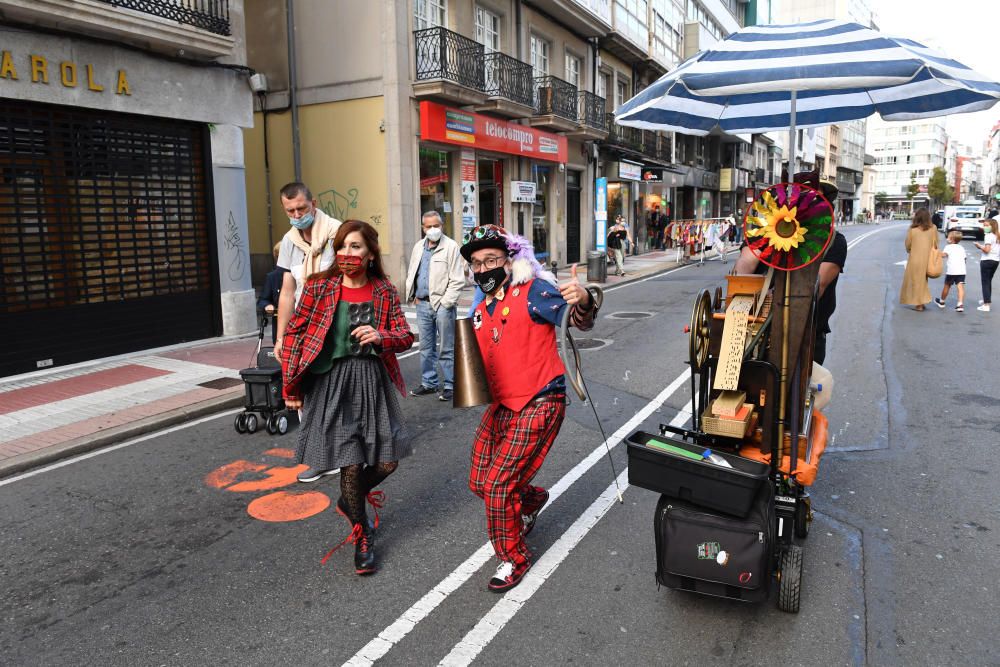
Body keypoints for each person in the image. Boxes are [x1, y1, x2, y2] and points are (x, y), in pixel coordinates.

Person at [460, 224, 599, 592]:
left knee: (498, 486)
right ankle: (533, 499)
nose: (483, 268)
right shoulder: (480, 307)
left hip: (541, 399)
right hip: (505, 403)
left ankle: (513, 558)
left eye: (491, 259)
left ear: (510, 260)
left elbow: (577, 320)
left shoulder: (533, 290)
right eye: (476, 263)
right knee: (479, 481)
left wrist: (583, 298)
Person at [280, 220, 413, 575]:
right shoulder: (319, 286)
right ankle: (362, 530)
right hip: (332, 382)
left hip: (372, 381)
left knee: (387, 462)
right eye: (341, 246)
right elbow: (295, 335)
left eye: (355, 247)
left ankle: (349, 500)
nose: (347, 254)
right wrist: (290, 387)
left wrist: (381, 334)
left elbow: (405, 336)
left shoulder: (383, 289)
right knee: (350, 462)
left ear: (370, 254)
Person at [734, 172, 847, 364]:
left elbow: (817, 287)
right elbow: (745, 266)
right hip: (755, 331)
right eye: (800, 197)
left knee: (813, 389)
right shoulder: (767, 231)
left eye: (814, 198)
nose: (805, 204)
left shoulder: (834, 241)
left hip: (807, 335)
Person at [273, 182, 341, 361]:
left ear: (314, 203)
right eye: (290, 211)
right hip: (305, 324)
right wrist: (281, 338)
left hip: (336, 324)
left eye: (301, 208)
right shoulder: (289, 241)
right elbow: (288, 293)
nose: (296, 215)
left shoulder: (338, 232)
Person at [405, 211, 466, 401]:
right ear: (423, 228)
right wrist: (413, 294)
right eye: (428, 226)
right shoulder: (418, 247)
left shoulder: (451, 246)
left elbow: (457, 279)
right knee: (426, 347)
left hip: (442, 305)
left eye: (436, 225)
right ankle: (429, 383)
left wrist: (446, 303)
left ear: (442, 225)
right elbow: (414, 271)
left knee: (446, 348)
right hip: (422, 304)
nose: (432, 229)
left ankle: (450, 384)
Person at [900, 208, 938, 311]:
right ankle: (921, 301)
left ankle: (919, 304)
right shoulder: (933, 228)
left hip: (915, 259)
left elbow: (908, 245)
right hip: (928, 258)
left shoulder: (912, 230)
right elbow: (935, 244)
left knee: (917, 281)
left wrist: (911, 250)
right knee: (923, 281)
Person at [257, 242, 287, 343]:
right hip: (280, 325)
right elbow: (263, 299)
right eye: (280, 257)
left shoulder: (301, 274)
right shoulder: (272, 277)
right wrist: (268, 305)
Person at [933, 230, 967, 312]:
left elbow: (943, 255)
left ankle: (942, 302)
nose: (947, 239)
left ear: (951, 239)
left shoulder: (948, 247)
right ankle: (960, 304)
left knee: (947, 286)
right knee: (960, 287)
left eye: (948, 237)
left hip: (952, 271)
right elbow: (965, 259)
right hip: (961, 271)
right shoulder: (961, 247)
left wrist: (936, 251)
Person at [974, 218, 998, 312]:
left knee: (985, 282)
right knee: (988, 282)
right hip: (995, 261)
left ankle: (986, 305)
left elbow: (987, 250)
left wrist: (978, 246)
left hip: (987, 260)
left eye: (987, 225)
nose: (984, 227)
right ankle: (986, 300)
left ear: (992, 226)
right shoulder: (997, 236)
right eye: (984, 225)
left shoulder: (988, 236)